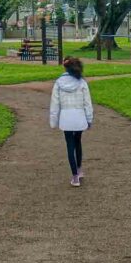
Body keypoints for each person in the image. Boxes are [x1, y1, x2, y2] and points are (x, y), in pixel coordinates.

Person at [49, 56, 94, 187]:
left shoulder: (58, 83)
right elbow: (87, 103)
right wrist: (89, 118)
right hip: (79, 117)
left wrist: (53, 121)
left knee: (69, 145)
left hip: (66, 118)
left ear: (65, 67)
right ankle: (79, 170)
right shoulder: (82, 83)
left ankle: (75, 177)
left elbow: (54, 104)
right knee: (78, 142)